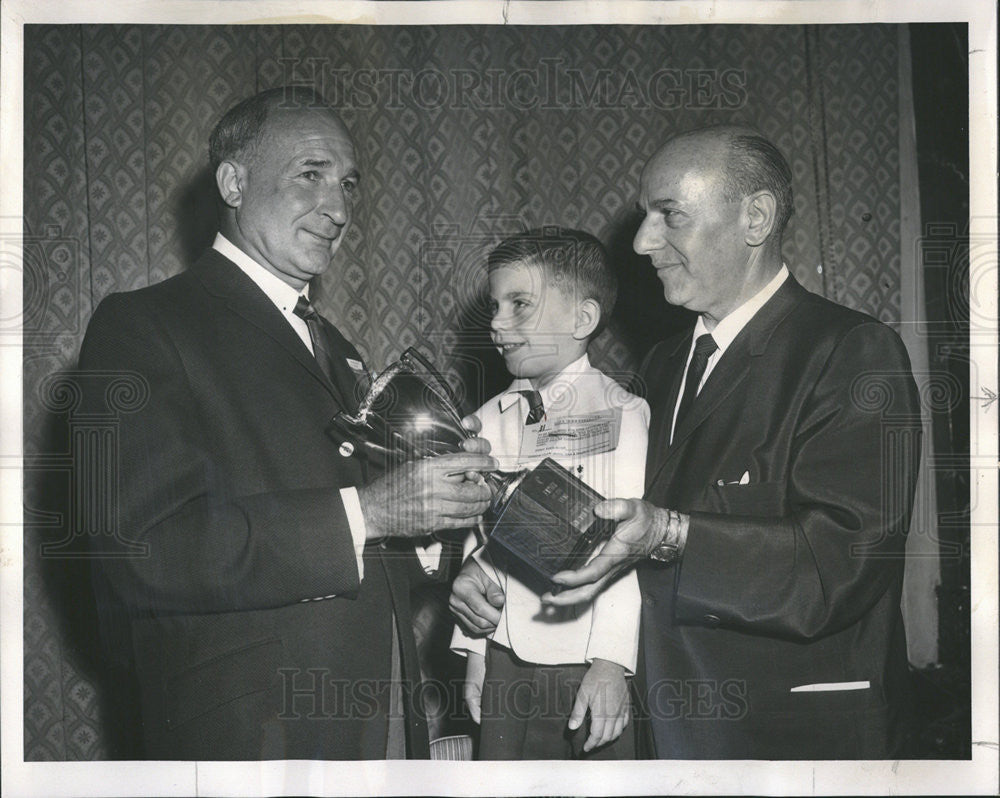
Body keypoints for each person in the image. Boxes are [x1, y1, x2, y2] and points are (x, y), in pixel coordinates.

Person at [451, 125, 922, 759]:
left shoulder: (852, 353)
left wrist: (671, 533)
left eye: (668, 214)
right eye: (646, 216)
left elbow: (840, 563)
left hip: (788, 733)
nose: (643, 241)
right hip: (666, 727)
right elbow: (604, 519)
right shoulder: (665, 362)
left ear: (755, 217)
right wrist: (487, 569)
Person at [76, 86, 495, 760]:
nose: (338, 208)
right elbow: (143, 551)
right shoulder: (146, 324)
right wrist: (374, 511)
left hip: (381, 712)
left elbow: (361, 529)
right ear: (235, 181)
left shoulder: (341, 350)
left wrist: (440, 535)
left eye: (349, 184)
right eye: (311, 175)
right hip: (255, 729)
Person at [448, 229, 650, 759]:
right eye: (495, 305)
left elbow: (625, 550)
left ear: (582, 319)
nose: (496, 322)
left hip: (582, 655)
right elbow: (479, 537)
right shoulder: (488, 417)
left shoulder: (622, 412)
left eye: (520, 305)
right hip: (505, 651)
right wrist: (474, 649)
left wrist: (610, 662)